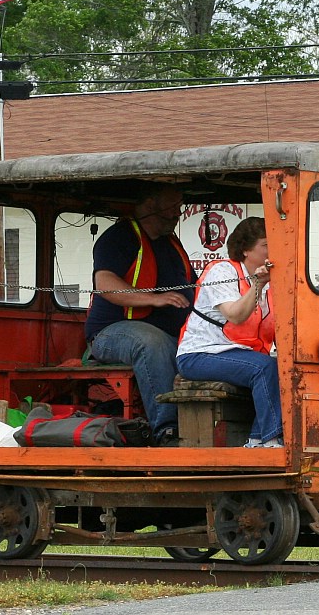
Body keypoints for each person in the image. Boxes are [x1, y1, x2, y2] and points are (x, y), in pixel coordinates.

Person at [85, 183, 193, 446]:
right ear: (149, 205)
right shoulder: (119, 237)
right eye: (172, 207)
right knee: (152, 343)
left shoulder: (172, 245)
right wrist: (154, 299)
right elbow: (106, 283)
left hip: (168, 332)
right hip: (110, 333)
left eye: (180, 207)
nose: (178, 213)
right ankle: (167, 432)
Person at [175, 217, 282, 448]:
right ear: (245, 249)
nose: (273, 250)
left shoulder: (275, 282)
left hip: (239, 354)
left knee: (290, 368)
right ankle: (270, 440)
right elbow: (235, 314)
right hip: (199, 354)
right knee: (265, 368)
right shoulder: (222, 271)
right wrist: (258, 284)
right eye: (266, 245)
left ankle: (256, 440)